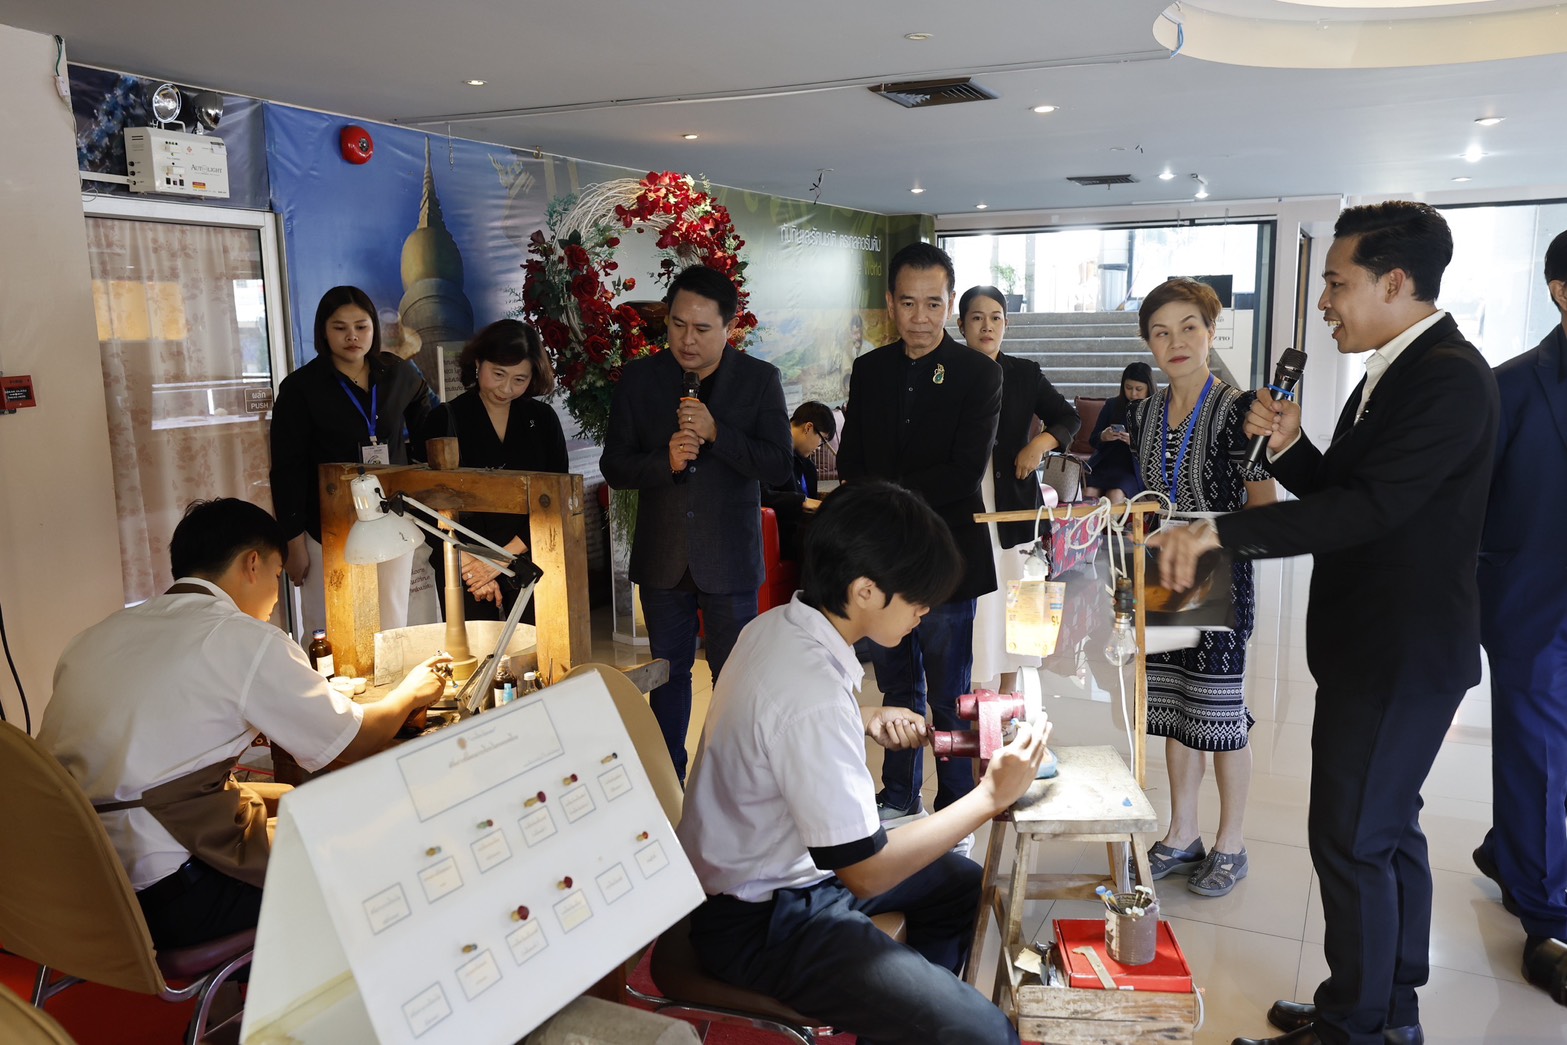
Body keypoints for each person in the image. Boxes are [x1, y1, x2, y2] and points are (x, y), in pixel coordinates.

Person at [1151, 202, 1500, 1045]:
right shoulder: (1398, 368)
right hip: (1376, 646)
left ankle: (1353, 1025)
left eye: (1336, 283)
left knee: (1350, 837)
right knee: (1385, 830)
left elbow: (1370, 510)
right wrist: (1294, 446)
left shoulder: (1447, 376)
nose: (1323, 303)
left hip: (1396, 650)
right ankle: (1384, 1004)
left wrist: (1217, 531)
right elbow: (1353, 489)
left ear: (1393, 281)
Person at [677, 481, 1047, 1045]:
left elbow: (780, 726)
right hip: (760, 920)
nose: (925, 611)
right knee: (986, 1035)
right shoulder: (813, 695)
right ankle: (927, 1019)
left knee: (961, 886)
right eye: (918, 599)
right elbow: (866, 872)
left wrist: (863, 716)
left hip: (783, 873)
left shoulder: (774, 627)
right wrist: (990, 797)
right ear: (866, 591)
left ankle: (903, 1020)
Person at [37, 499, 449, 950]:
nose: (274, 598)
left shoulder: (96, 636)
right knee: (365, 859)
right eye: (277, 574)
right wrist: (411, 692)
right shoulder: (240, 637)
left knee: (295, 802)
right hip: (168, 896)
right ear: (253, 563)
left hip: (76, 885)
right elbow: (352, 741)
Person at [600, 264, 793, 781]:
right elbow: (615, 467)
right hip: (662, 556)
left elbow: (779, 465)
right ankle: (669, 782)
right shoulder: (640, 378)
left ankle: (732, 782)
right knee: (668, 674)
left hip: (729, 558)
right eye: (678, 325)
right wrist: (662, 462)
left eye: (702, 329)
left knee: (733, 679)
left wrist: (717, 433)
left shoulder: (759, 380)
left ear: (729, 327)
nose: (687, 340)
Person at [837, 243, 1002, 821]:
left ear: (949, 304)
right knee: (897, 687)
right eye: (908, 303)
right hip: (883, 561)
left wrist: (884, 496)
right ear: (891, 303)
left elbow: (963, 472)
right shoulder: (870, 370)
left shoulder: (978, 373)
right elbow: (852, 460)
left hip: (946, 562)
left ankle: (955, 804)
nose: (921, 317)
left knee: (951, 695)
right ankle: (899, 796)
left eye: (934, 304)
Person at [1125, 279, 1275, 898]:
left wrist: (1212, 536)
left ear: (1212, 332)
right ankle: (1182, 832)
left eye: (1189, 327)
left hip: (1221, 572)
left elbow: (1265, 506)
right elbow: (1148, 497)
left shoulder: (1242, 411)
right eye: (1161, 332)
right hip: (1164, 571)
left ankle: (1230, 844)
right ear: (1149, 345)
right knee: (1173, 709)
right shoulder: (1144, 413)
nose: (1176, 342)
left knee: (1219, 712)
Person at [1472, 228, 1567, 1006]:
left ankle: (1507, 850)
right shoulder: (1509, 388)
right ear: (1561, 292)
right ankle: (1546, 922)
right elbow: (1467, 508)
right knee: (1536, 759)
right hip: (1532, 607)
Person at [269, 286, 434, 636]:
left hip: (392, 517)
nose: (352, 337)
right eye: (340, 327)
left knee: (392, 621)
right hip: (327, 525)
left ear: (374, 328)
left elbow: (427, 418)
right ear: (323, 331)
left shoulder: (397, 374)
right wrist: (293, 541)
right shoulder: (300, 388)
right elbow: (287, 468)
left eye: (361, 326)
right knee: (329, 624)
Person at [958, 284, 1080, 693]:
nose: (987, 326)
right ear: (961, 325)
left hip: (1014, 498)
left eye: (995, 318)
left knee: (1019, 591)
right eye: (977, 318)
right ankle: (975, 691)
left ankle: (1009, 692)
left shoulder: (1025, 374)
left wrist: (1038, 445)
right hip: (966, 501)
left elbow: (1068, 418)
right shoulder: (947, 372)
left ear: (1006, 324)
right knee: (979, 601)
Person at [417, 319, 568, 621]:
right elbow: (425, 503)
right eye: (498, 374)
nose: (506, 388)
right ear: (478, 362)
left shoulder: (542, 419)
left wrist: (499, 560)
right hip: (464, 561)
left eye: (519, 379)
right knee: (475, 645)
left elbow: (558, 495)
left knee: (535, 645)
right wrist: (474, 566)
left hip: (530, 554)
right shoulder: (445, 418)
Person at [759, 400, 835, 562]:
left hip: (805, 533)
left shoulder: (807, 466)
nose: (819, 448)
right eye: (822, 440)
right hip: (783, 535)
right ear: (808, 428)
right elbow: (760, 495)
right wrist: (803, 501)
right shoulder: (770, 451)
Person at [1084, 362, 1155, 503]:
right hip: (1106, 463)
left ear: (1149, 388)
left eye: (1139, 389)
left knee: (1115, 495)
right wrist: (1103, 436)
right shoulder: (1112, 405)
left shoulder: (1155, 410)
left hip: (1132, 468)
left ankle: (1113, 519)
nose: (1133, 393)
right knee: (1088, 493)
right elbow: (1093, 440)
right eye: (1128, 388)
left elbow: (1160, 449)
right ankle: (1091, 519)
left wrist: (1135, 443)